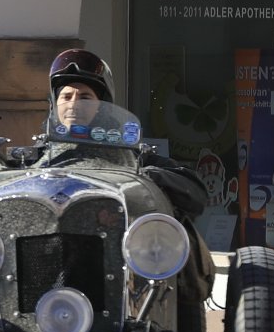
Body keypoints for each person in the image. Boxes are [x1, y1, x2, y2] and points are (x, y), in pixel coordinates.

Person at [37, 49, 214, 298]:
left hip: (121, 267)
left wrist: (148, 177)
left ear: (103, 105)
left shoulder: (130, 154)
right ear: (54, 104)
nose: (74, 104)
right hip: (47, 268)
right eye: (66, 96)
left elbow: (195, 192)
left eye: (85, 97)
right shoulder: (37, 159)